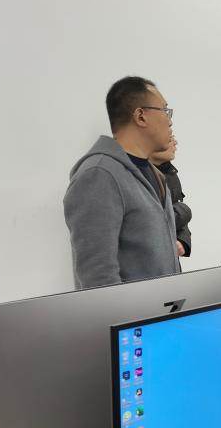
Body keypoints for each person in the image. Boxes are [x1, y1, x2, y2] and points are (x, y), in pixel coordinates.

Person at [64, 76, 180, 289]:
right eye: (164, 110)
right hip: (133, 312)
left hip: (162, 308)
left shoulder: (154, 174)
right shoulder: (99, 175)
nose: (170, 120)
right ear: (140, 116)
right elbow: (97, 277)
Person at [150, 136, 192, 258]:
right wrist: (185, 211)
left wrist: (182, 240)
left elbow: (178, 220)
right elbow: (152, 221)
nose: (175, 142)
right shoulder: (138, 174)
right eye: (170, 138)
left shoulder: (170, 173)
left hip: (170, 255)